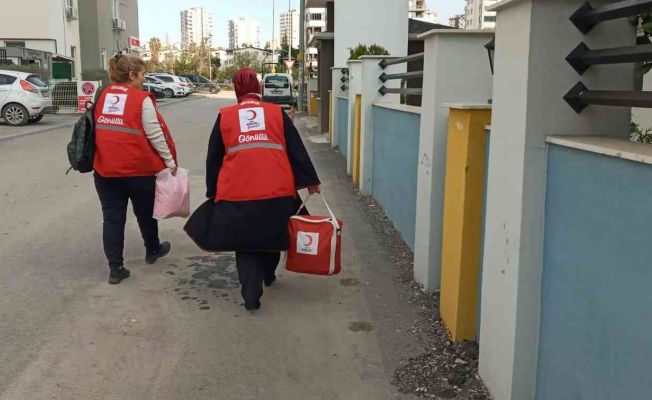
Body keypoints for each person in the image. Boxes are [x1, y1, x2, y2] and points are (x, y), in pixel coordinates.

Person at [184, 67, 320, 311]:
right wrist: (311, 180)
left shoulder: (225, 116)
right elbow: (296, 149)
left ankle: (250, 294)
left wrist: (213, 191)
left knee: (245, 244)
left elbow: (213, 157)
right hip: (278, 192)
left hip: (237, 195)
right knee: (273, 235)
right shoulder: (276, 113)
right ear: (258, 87)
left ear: (236, 89)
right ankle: (268, 274)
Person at [93, 54, 178, 284]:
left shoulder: (102, 95)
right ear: (131, 75)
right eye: (142, 74)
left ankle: (115, 268)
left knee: (112, 219)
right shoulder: (141, 99)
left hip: (105, 171)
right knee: (146, 213)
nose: (144, 78)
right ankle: (152, 250)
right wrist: (170, 162)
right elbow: (155, 134)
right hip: (138, 171)